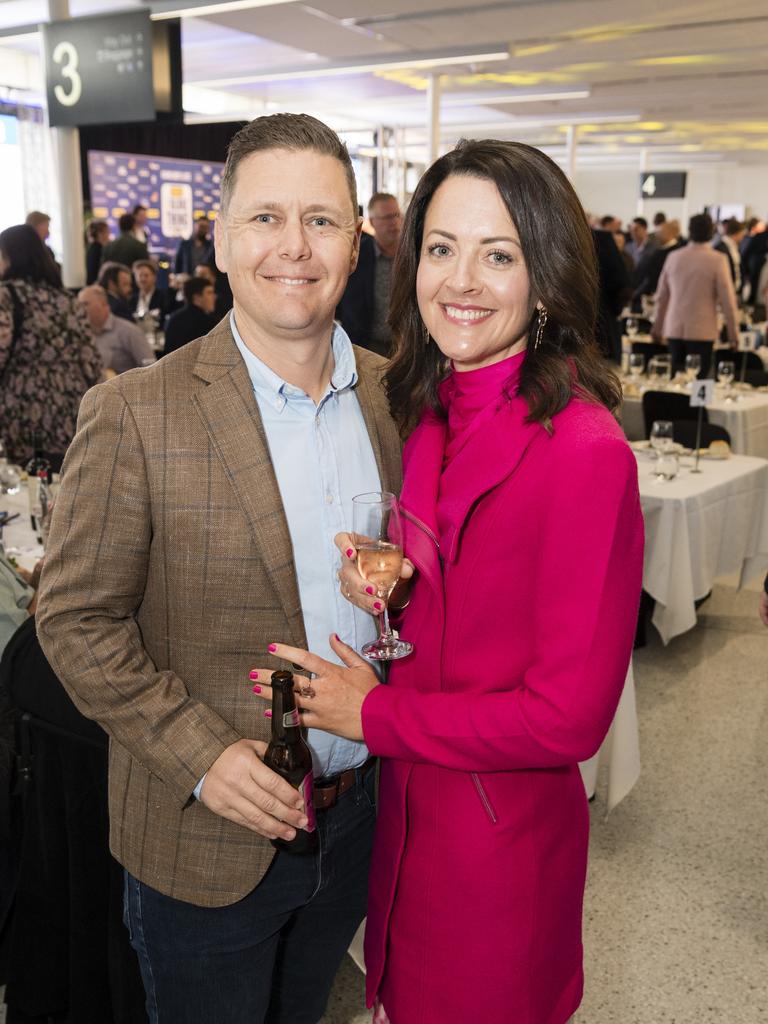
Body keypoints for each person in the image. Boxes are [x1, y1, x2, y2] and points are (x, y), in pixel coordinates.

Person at [250, 139, 644, 1024]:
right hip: (406, 831)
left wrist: (374, 715)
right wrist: (390, 586)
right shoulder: (427, 411)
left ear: (544, 279)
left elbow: (569, 716)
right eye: (440, 247)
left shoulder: (585, 454)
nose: (460, 281)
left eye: (498, 255)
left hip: (497, 852)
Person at [36, 112, 403, 1024]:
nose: (295, 246)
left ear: (355, 243)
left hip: (362, 817)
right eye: (266, 218)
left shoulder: (400, 400)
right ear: (221, 235)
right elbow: (76, 621)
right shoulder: (135, 412)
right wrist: (203, 758)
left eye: (322, 220)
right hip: (202, 834)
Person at [0, 224, 101, 467]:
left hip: (23, 405)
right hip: (70, 408)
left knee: (27, 489)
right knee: (61, 482)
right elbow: (91, 360)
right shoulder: (66, 299)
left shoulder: (6, 295)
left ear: (9, 256)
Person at [653, 212, 738, 377]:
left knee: (675, 380)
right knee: (699, 383)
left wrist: (657, 326)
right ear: (711, 232)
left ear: (690, 231)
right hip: (703, 329)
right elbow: (728, 301)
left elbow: (662, 296)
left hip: (674, 328)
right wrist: (733, 335)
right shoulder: (718, 259)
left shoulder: (674, 257)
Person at [336, 192, 403, 355]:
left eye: (396, 215)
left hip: (406, 348)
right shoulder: (355, 257)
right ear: (372, 222)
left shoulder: (413, 256)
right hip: (368, 347)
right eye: (387, 217)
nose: (394, 222)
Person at [78, 285, 155, 374]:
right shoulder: (83, 334)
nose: (80, 309)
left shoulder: (129, 331)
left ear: (103, 304)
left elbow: (151, 368)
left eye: (85, 304)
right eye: (79, 305)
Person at [162, 276, 217, 356]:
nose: (214, 297)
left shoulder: (173, 318)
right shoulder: (209, 322)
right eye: (209, 293)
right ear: (197, 297)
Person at [130, 259, 175, 325]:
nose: (143, 279)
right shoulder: (131, 299)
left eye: (146, 275)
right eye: (140, 275)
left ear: (154, 277)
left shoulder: (164, 297)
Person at [714, 218, 746, 294]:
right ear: (736, 233)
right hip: (726, 291)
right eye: (742, 233)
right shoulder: (720, 248)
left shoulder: (734, 246)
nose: (743, 236)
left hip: (734, 289)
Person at [86, 220, 110, 284]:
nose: (108, 235)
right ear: (99, 234)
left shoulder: (93, 247)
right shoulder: (97, 249)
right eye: (107, 231)